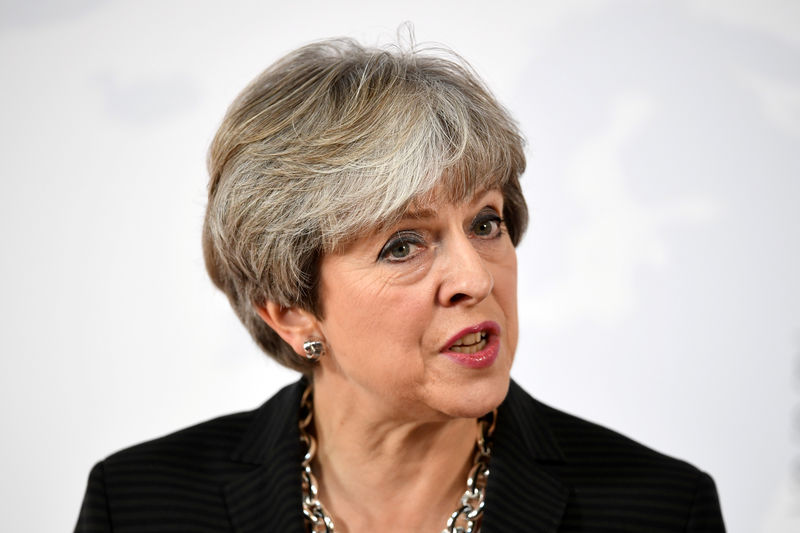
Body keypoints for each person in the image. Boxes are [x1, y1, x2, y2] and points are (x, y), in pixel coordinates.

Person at [75, 37, 725, 532]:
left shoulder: (661, 510)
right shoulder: (139, 505)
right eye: (403, 245)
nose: (474, 277)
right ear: (292, 312)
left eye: (486, 222)